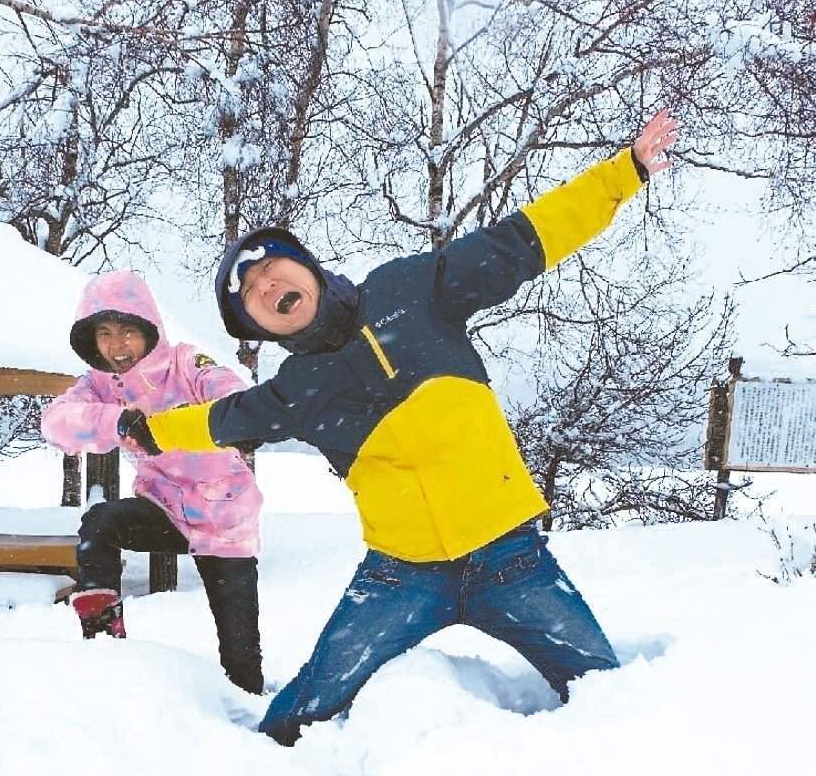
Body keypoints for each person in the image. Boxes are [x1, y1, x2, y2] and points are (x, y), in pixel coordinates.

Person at [119, 110, 679, 743]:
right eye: (249, 291)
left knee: (606, 691)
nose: (266, 282)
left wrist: (622, 172)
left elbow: (520, 242)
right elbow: (226, 418)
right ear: (257, 325)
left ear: (307, 268)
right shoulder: (296, 390)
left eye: (273, 267)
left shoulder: (411, 291)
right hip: (400, 575)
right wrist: (155, 433)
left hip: (511, 557)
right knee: (302, 712)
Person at [42, 271, 264, 694]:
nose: (117, 344)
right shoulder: (99, 386)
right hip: (163, 509)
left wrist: (235, 418)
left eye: (127, 330)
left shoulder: (185, 362)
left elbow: (230, 392)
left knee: (240, 656)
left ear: (149, 330)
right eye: (104, 333)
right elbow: (56, 423)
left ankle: (249, 713)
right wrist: (117, 420)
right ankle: (104, 639)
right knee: (100, 522)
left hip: (224, 522)